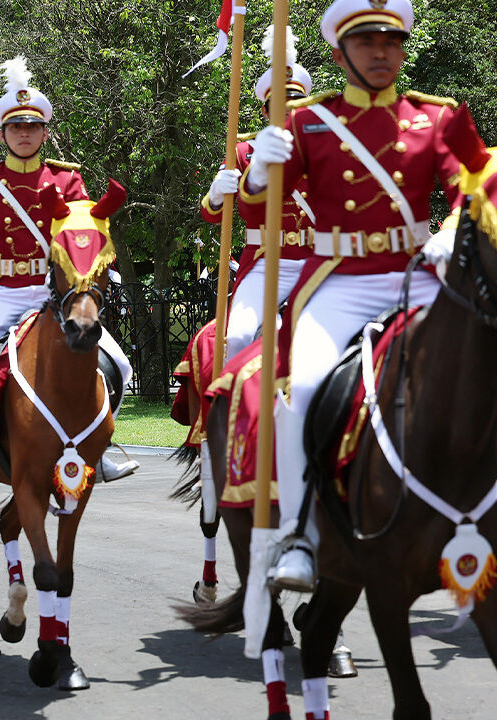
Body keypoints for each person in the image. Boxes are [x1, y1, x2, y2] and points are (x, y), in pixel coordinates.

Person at [238, 0, 462, 603]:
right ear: (340, 54)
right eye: (367, 43)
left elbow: (479, 183)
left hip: (420, 275)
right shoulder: (310, 124)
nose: (382, 53)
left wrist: (452, 228)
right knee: (304, 387)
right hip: (340, 281)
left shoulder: (438, 119)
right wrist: (259, 172)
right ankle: (297, 536)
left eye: (391, 41)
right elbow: (257, 210)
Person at [0, 56, 137, 493]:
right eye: (15, 128)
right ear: (3, 132)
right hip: (0, 294)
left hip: (52, 295)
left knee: (119, 363)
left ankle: (96, 453)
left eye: (32, 127)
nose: (24, 135)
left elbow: (85, 235)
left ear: (44, 132)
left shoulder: (67, 182)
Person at [200, 26, 316, 361]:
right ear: (265, 112)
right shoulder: (244, 151)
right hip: (265, 262)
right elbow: (211, 215)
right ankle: (234, 410)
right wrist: (217, 194)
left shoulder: (325, 147)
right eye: (278, 105)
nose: (288, 111)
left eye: (295, 104)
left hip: (316, 258)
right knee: (237, 337)